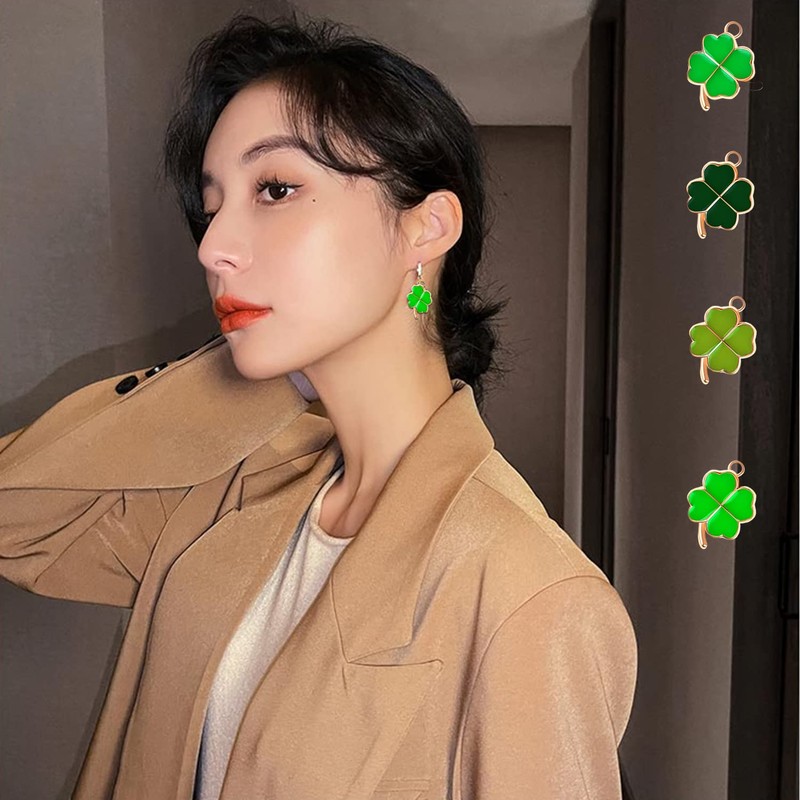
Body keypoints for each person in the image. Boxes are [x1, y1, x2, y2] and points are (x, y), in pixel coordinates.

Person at [0, 10, 638, 799]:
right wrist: (258, 375)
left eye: (275, 188)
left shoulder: (529, 595)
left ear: (426, 228)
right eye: (213, 205)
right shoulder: (234, 494)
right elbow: (19, 516)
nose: (212, 247)